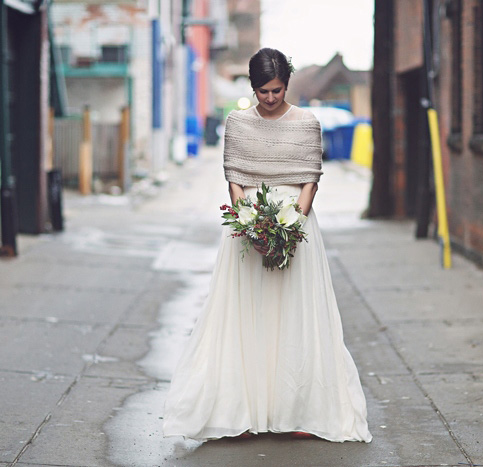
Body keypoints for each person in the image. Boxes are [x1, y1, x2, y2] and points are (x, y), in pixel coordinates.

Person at [163, 48, 372, 443]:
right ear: (253, 87)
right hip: (247, 233)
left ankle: (299, 411)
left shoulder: (308, 123)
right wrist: (252, 227)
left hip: (298, 227)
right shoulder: (237, 123)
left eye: (276, 90)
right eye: (263, 91)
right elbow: (235, 179)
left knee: (296, 316)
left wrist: (291, 228)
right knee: (247, 316)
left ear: (286, 85)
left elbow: (311, 179)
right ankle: (240, 408)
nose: (270, 98)